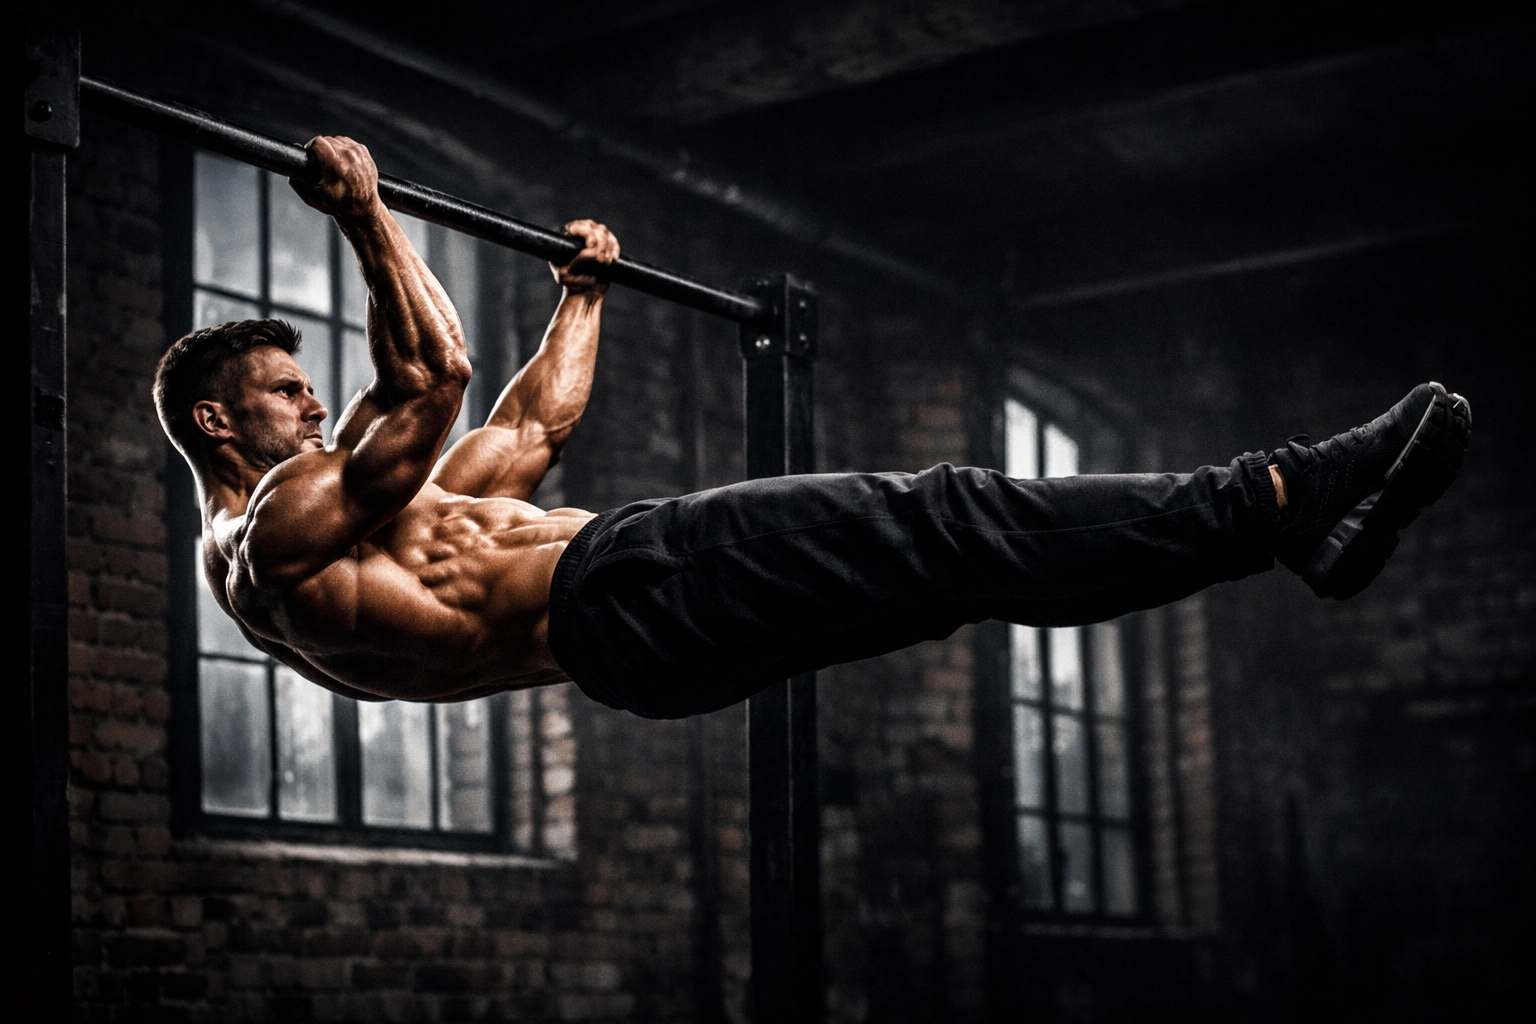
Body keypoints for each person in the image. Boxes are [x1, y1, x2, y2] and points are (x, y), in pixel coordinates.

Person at [155, 137, 1472, 719]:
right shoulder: (272, 533)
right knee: (947, 515)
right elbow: (434, 376)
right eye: (286, 388)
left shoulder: (348, 528)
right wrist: (365, 212)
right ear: (218, 421)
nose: (317, 401)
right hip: (628, 583)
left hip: (638, 652)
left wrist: (583, 300)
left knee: (965, 567)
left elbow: (529, 429)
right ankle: (1290, 495)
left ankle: (1294, 535)